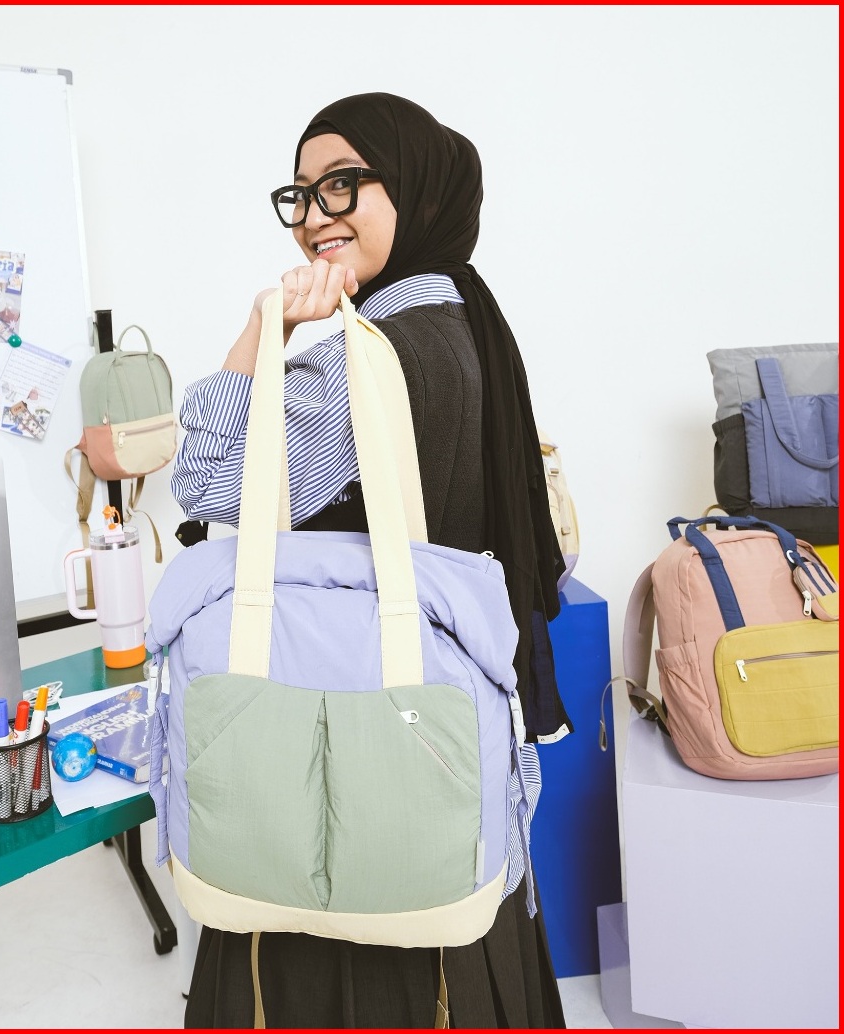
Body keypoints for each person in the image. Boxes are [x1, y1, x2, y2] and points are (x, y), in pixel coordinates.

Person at [171, 93, 569, 1028]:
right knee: (454, 919)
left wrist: (265, 326)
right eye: (301, 193)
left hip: (344, 740)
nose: (315, 216)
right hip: (436, 737)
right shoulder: (466, 323)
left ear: (416, 188)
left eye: (342, 183)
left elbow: (207, 478)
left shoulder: (370, 356)